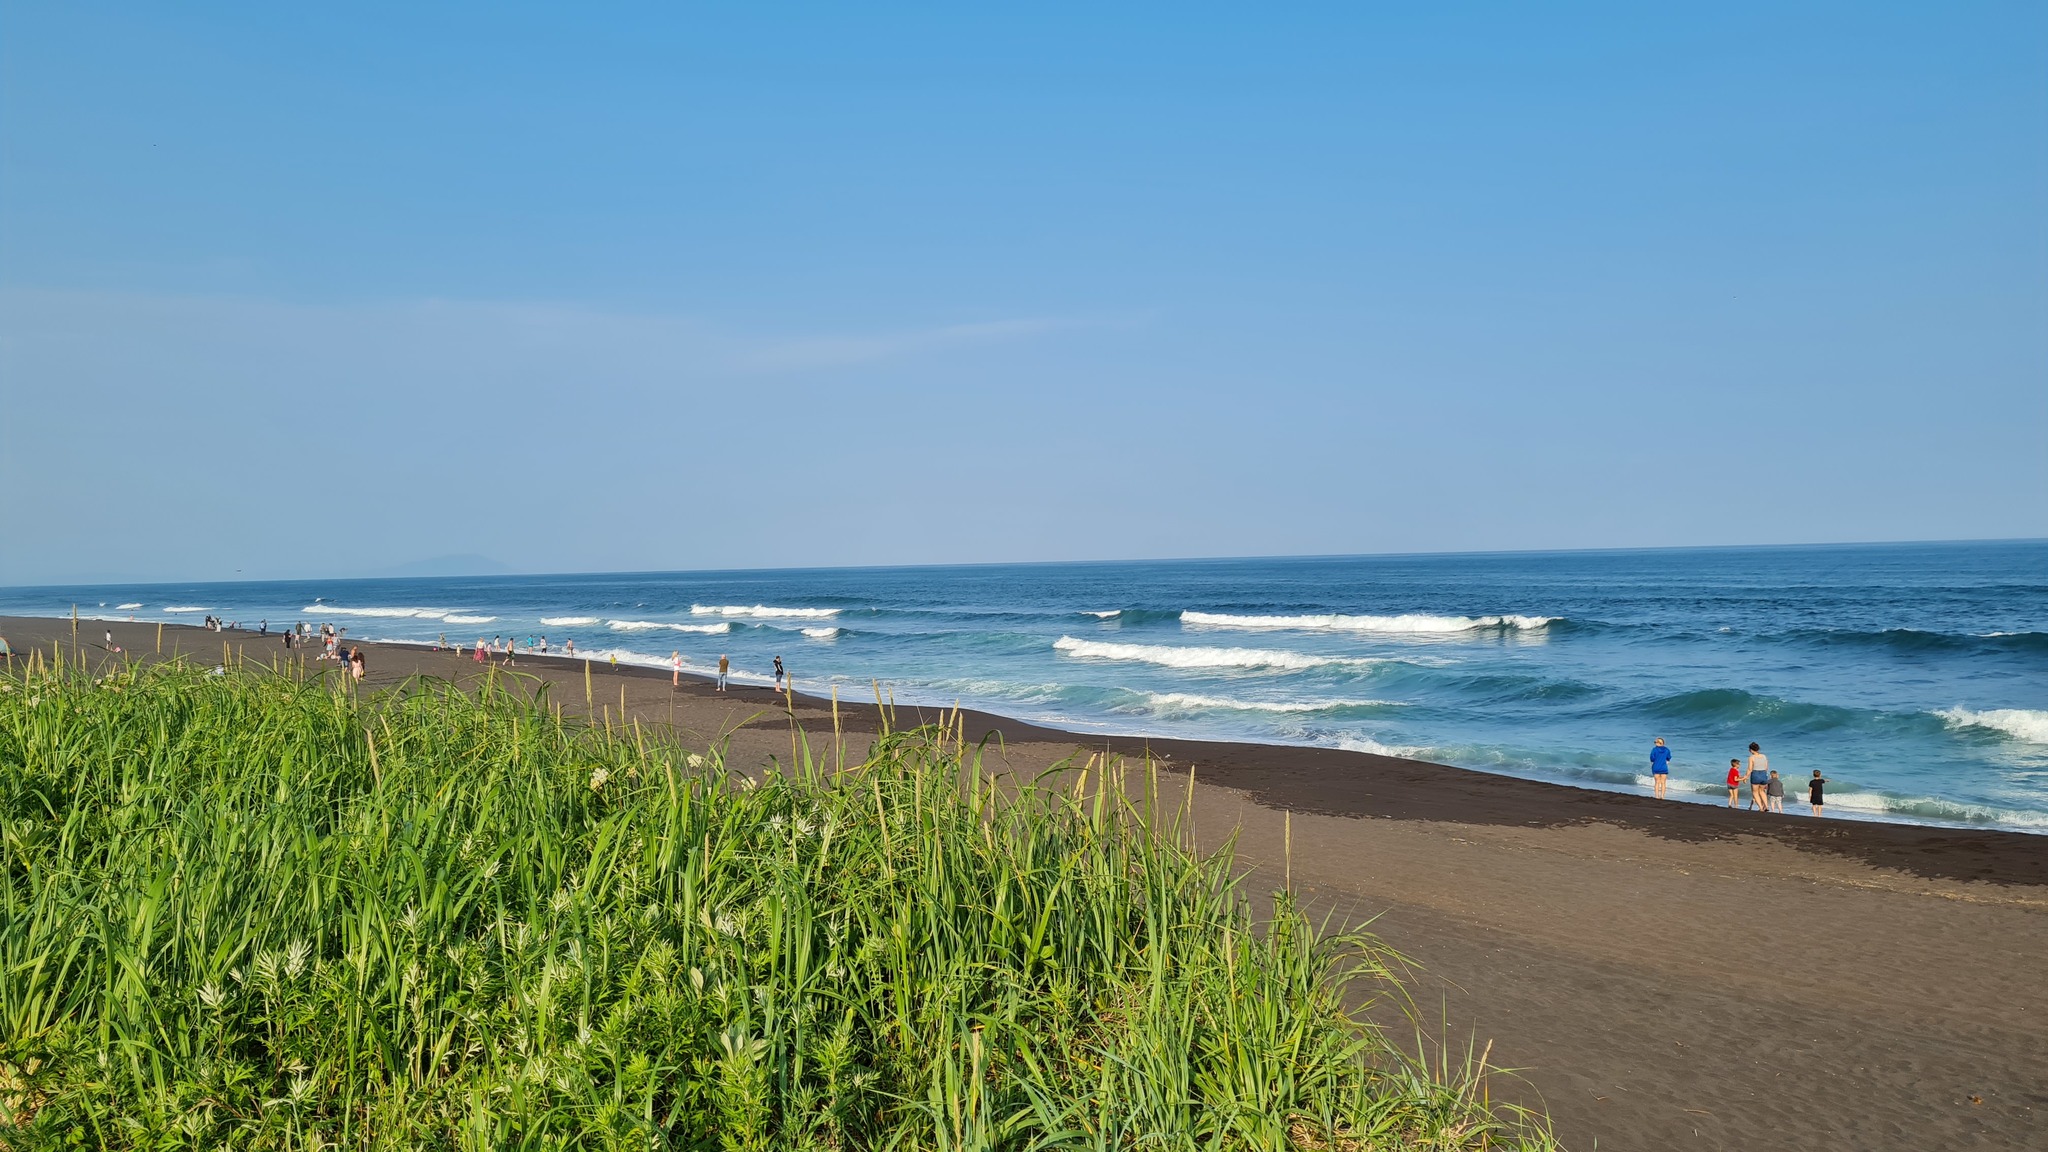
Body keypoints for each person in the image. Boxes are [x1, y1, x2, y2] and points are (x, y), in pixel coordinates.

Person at [1747, 743, 1770, 812]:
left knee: (1755, 792)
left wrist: (1746, 776)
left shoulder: (1751, 757)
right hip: (1763, 774)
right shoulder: (1764, 756)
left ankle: (1760, 807)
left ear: (1751, 750)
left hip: (1755, 774)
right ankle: (1766, 806)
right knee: (1762, 791)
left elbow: (1750, 769)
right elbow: (1766, 767)